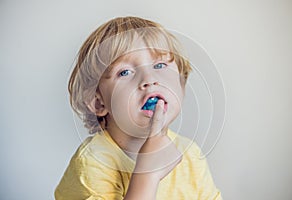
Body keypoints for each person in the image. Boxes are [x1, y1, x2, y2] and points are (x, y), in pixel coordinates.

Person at [55, 16, 222, 200]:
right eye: (125, 72)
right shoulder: (92, 163)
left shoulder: (190, 154)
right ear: (98, 102)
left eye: (160, 65)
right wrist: (147, 174)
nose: (149, 79)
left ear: (181, 84)